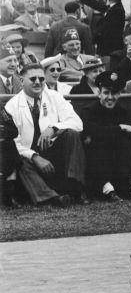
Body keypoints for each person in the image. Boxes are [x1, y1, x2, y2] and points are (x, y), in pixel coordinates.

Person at [3, 61, 88, 206]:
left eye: (41, 79)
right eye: (33, 79)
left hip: (52, 151)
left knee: (71, 134)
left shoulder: (54, 96)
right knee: (18, 159)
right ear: (22, 81)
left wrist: (54, 127)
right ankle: (51, 198)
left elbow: (77, 123)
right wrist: (35, 157)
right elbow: (12, 142)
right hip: (28, 157)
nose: (38, 82)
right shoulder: (12, 105)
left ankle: (76, 188)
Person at [78, 71, 131, 200]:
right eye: (106, 93)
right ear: (99, 93)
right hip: (97, 161)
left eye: (114, 93)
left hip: (118, 159)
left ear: (119, 94)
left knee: (123, 141)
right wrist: (119, 128)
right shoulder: (89, 111)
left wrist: (113, 132)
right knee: (96, 141)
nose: (110, 97)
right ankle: (106, 188)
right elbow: (92, 131)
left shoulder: (122, 111)